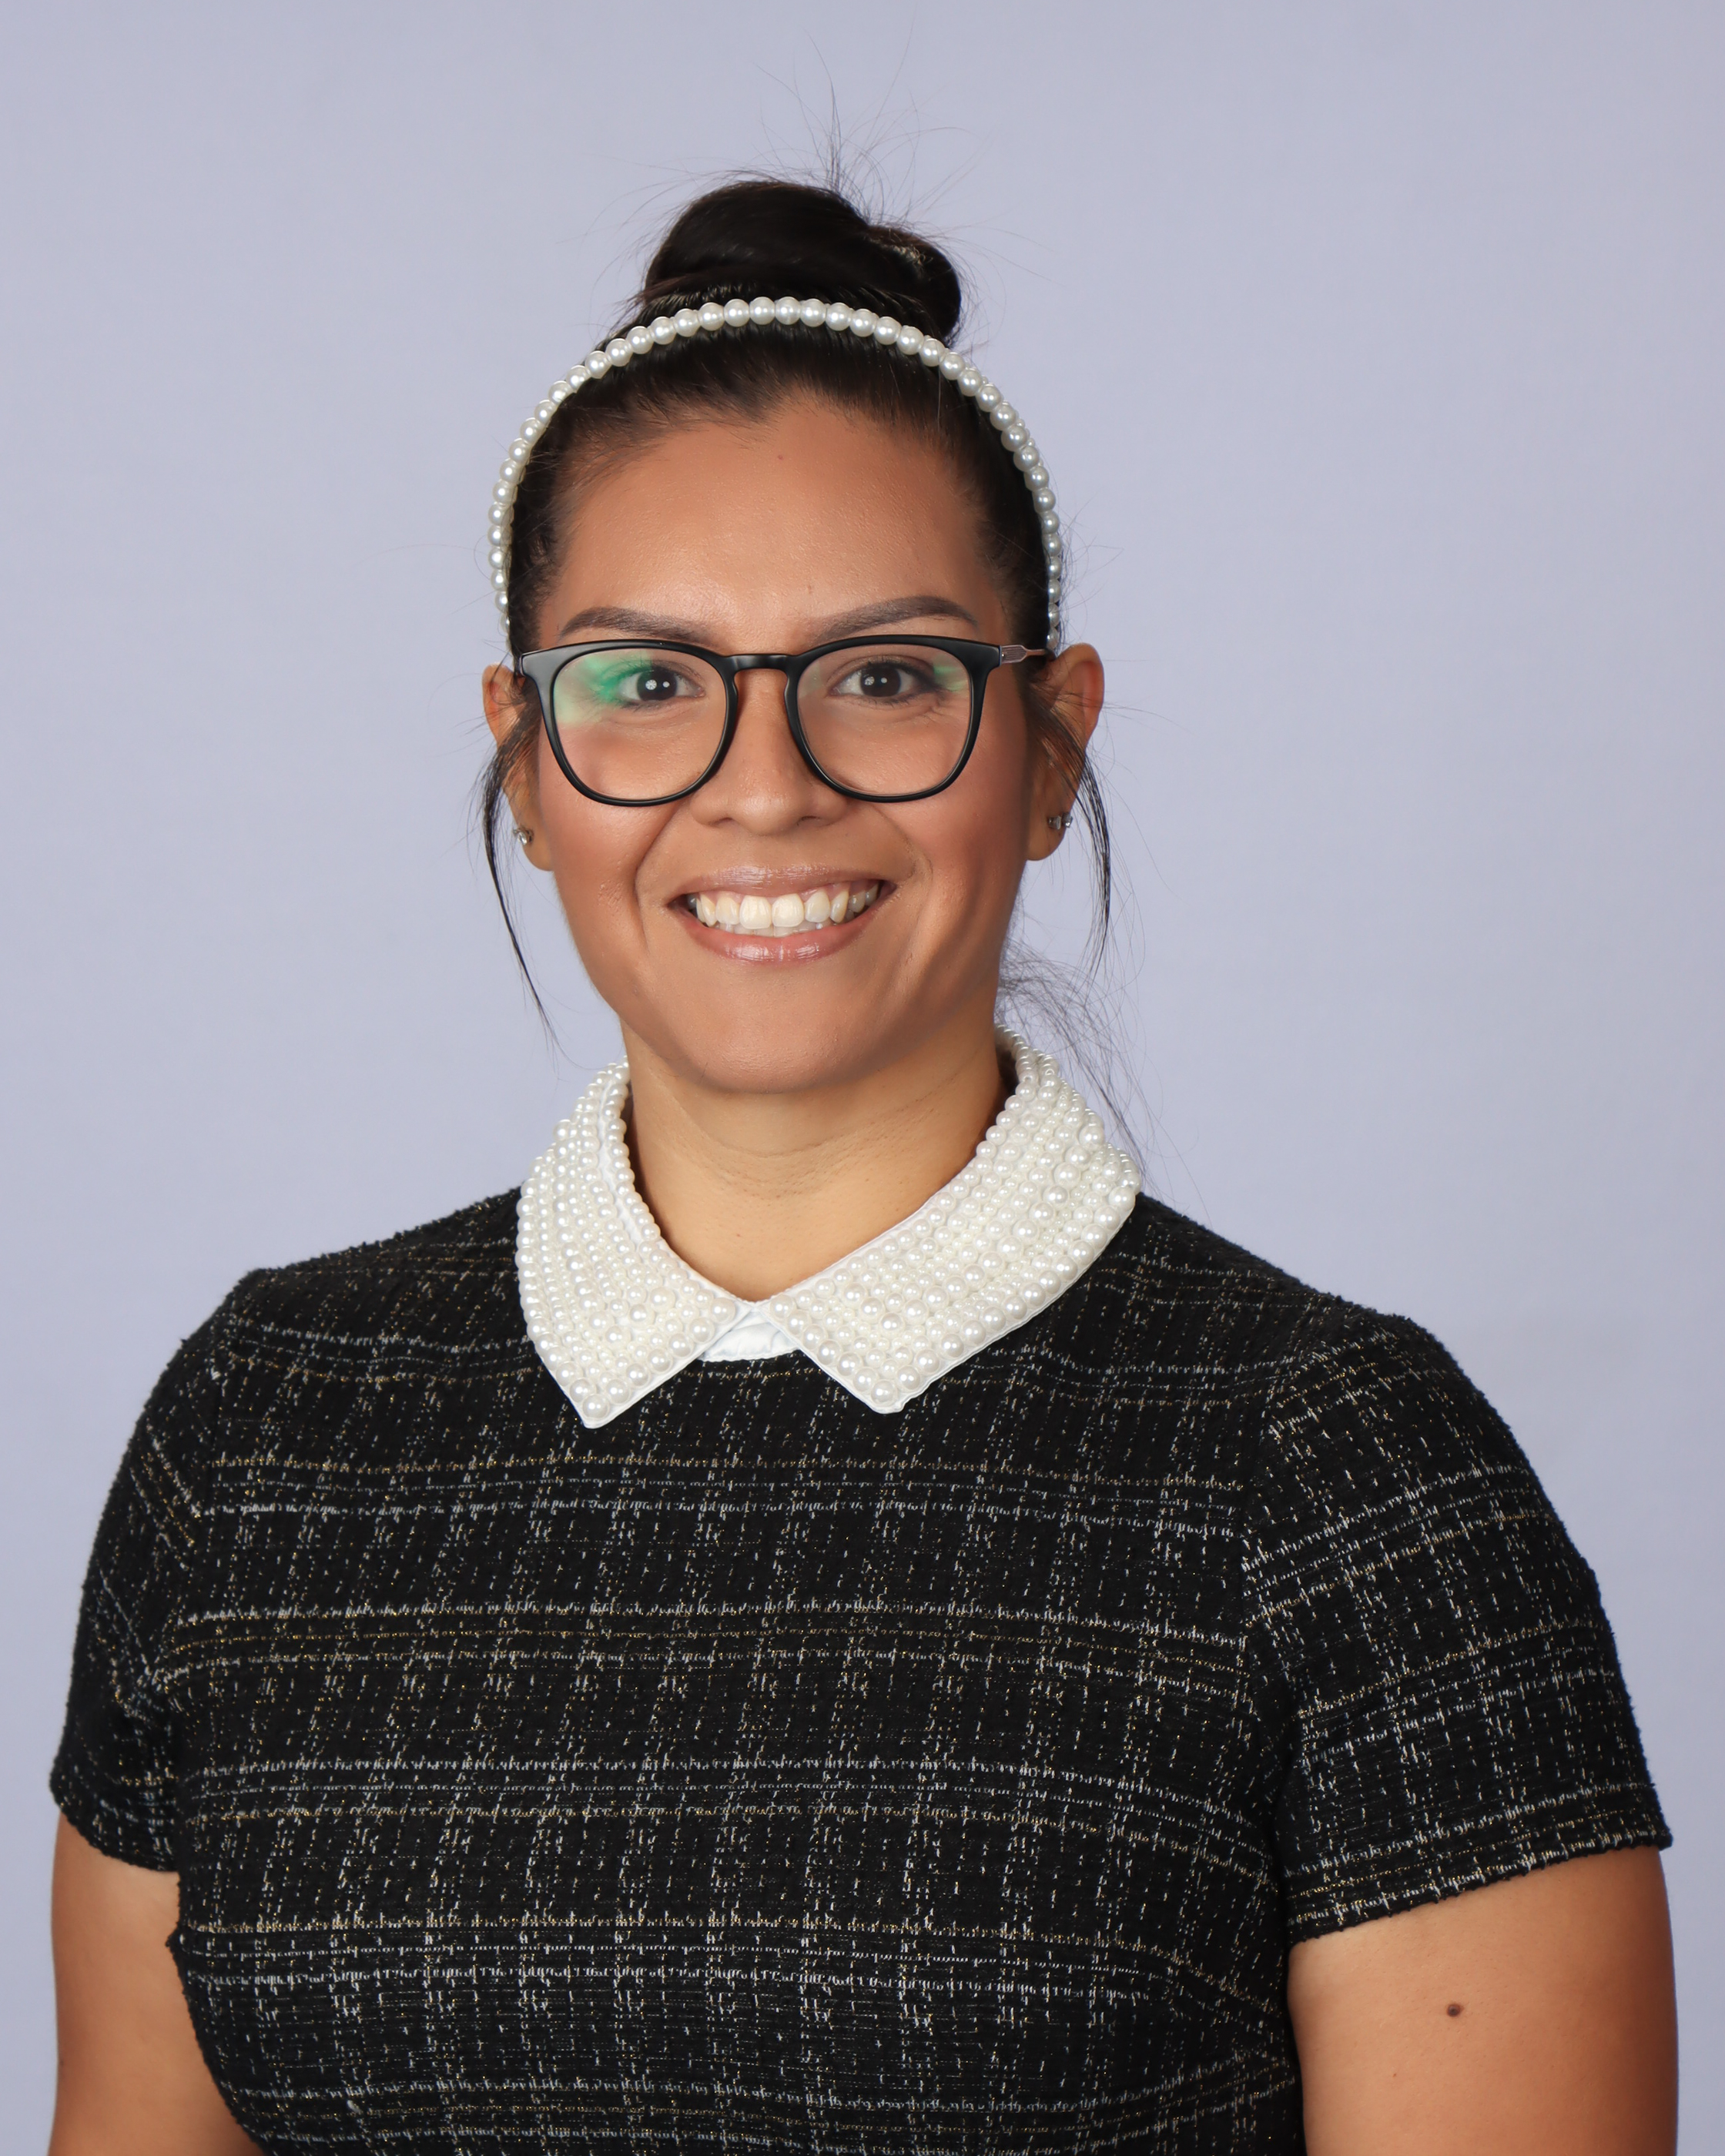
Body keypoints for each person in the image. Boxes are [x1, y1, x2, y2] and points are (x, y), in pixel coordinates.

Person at [47, 179, 1676, 2156]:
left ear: (1051, 743)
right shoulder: (265, 1428)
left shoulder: (1343, 1475)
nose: (763, 784)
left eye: (887, 673)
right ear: (526, 762)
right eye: (645, 681)